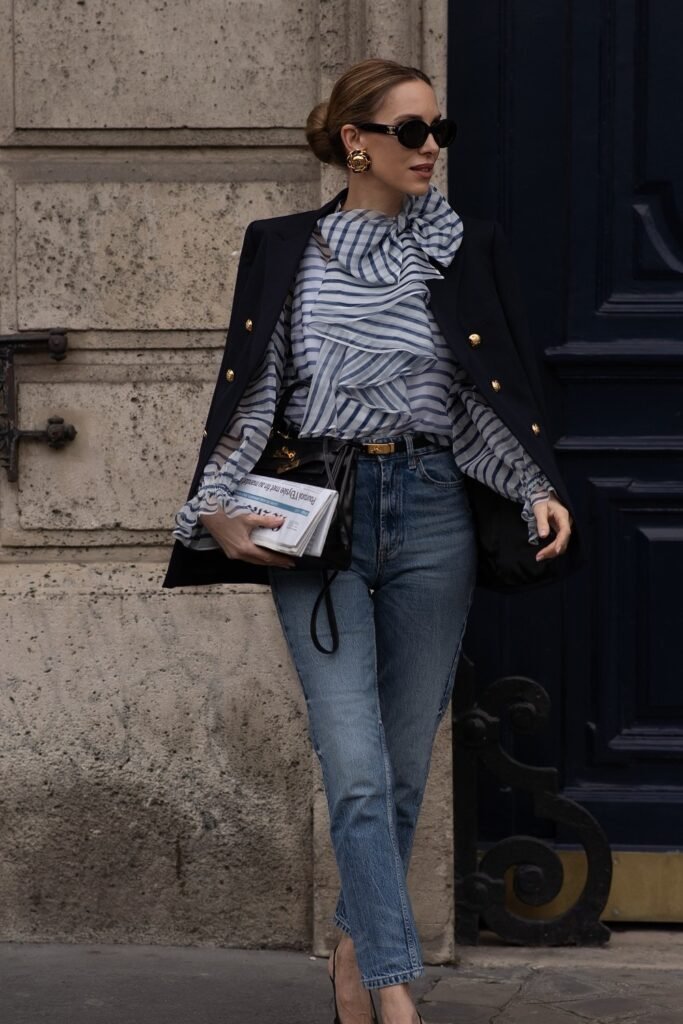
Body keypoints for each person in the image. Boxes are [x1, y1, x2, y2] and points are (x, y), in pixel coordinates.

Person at [164, 58, 575, 1024]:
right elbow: (256, 394)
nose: (432, 148)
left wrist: (533, 487)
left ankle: (354, 959)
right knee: (351, 768)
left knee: (396, 772)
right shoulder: (281, 248)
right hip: (314, 518)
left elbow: (474, 404)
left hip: (433, 510)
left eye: (440, 132)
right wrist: (214, 513)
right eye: (411, 131)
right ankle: (394, 994)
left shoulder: (464, 249)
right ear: (355, 141)